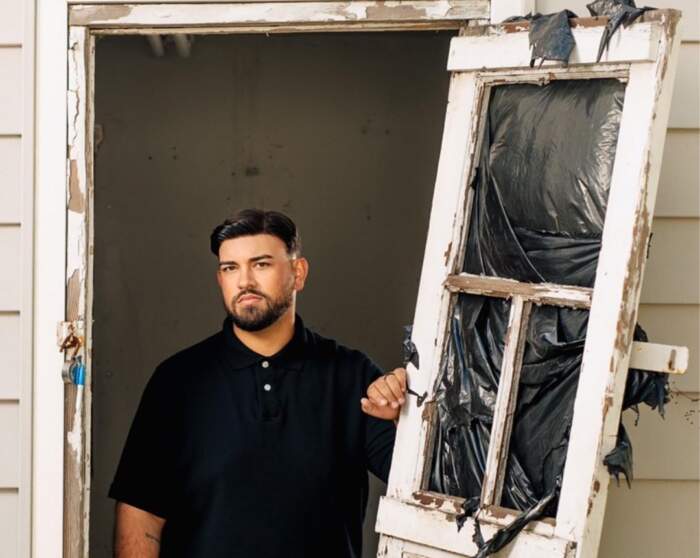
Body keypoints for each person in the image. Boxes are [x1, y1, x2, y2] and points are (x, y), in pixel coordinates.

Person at [109, 208, 409, 558]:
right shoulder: (177, 382)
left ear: (298, 273)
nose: (244, 281)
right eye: (230, 268)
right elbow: (141, 517)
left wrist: (407, 416)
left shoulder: (351, 375)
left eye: (261, 264)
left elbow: (419, 485)